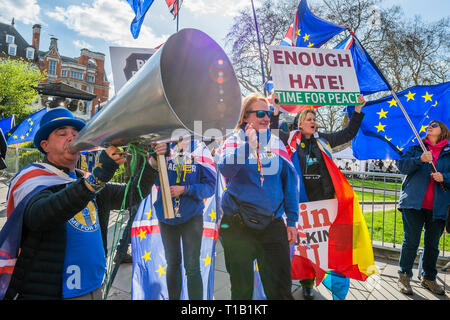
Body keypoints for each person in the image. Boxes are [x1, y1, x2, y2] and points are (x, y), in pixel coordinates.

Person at [2, 108, 157, 300]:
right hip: (53, 291)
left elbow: (134, 193)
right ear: (45, 145)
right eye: (62, 133)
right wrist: (98, 177)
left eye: (76, 134)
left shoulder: (87, 180)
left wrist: (152, 165)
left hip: (94, 285)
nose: (71, 137)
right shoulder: (32, 179)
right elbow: (41, 216)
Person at [270, 93, 366, 299]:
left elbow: (348, 133)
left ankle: (335, 286)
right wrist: (275, 110)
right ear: (300, 123)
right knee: (305, 247)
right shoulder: (289, 139)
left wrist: (357, 110)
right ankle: (306, 283)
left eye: (314, 119)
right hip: (301, 204)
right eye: (309, 119)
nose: (313, 122)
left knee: (330, 247)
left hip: (326, 202)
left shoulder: (323, 140)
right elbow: (271, 133)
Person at [216, 93, 299, 300]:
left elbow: (289, 185)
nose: (266, 118)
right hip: (237, 226)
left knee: (280, 291)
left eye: (269, 113)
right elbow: (225, 169)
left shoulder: (277, 144)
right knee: (241, 291)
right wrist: (249, 147)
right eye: (260, 113)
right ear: (245, 117)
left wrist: (293, 221)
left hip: (272, 226)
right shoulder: (233, 142)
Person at [149, 137, 216, 300]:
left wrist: (186, 189)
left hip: (191, 217)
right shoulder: (163, 146)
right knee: (172, 263)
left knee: (192, 267)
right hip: (166, 217)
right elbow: (151, 178)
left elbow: (210, 187)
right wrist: (156, 157)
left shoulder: (200, 150)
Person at [396, 120, 450, 296]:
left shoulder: (448, 152)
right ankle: (404, 276)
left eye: (434, 124)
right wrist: (419, 159)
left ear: (442, 130)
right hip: (413, 203)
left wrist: (445, 177)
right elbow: (401, 166)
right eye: (429, 125)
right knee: (410, 241)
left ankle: (429, 278)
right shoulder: (416, 148)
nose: (430, 126)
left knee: (432, 245)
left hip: (438, 206)